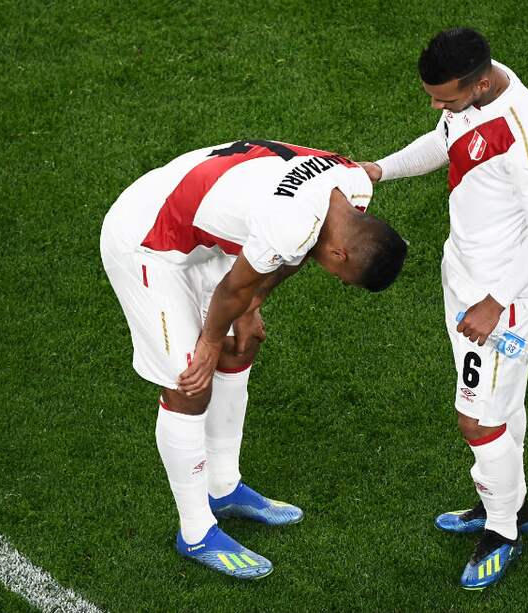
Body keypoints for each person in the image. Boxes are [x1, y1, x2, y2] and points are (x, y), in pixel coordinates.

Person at [100, 139, 407, 580]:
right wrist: (207, 342)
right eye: (346, 279)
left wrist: (252, 305)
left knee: (241, 343)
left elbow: (288, 254)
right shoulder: (292, 223)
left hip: (203, 232)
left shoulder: (353, 189)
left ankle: (223, 487)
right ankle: (195, 531)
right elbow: (234, 289)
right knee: (190, 379)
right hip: (148, 238)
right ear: (341, 253)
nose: (340, 283)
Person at [360, 28, 528, 590]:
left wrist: (496, 304)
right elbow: (444, 140)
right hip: (468, 282)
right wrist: (380, 169)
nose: (436, 106)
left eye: (444, 97)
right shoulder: (472, 99)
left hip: (502, 301)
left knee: (477, 417)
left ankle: (502, 532)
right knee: (503, 404)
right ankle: (512, 505)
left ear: (478, 83)